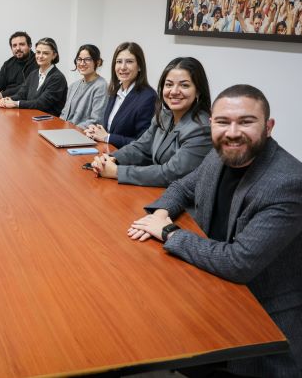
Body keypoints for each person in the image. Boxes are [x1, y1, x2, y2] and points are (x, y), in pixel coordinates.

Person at [128, 85, 302, 377]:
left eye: (246, 121)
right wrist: (160, 213)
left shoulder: (287, 183)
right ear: (211, 124)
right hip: (211, 291)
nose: (232, 132)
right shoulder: (219, 155)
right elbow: (182, 187)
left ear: (268, 127)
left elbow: (238, 262)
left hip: (259, 322)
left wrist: (169, 232)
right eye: (223, 122)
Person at [91, 57, 212, 187]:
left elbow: (171, 173)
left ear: (198, 91)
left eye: (184, 85)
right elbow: (141, 148)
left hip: (179, 196)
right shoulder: (163, 116)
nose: (174, 91)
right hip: (155, 189)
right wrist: (110, 159)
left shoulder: (201, 129)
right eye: (169, 84)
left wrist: (117, 172)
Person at [84, 42, 156, 148]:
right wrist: (96, 132)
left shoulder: (148, 97)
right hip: (106, 149)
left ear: (140, 66)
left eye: (129, 62)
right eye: (119, 62)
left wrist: (107, 137)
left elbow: (144, 143)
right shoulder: (116, 90)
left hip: (124, 156)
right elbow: (111, 128)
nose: (122, 67)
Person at [0, 37, 67, 117]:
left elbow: (41, 104)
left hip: (49, 121)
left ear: (54, 55)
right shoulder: (33, 74)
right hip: (30, 117)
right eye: (38, 52)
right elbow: (21, 95)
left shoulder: (57, 78)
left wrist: (15, 103)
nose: (40, 56)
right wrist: (7, 99)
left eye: (45, 53)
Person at [59, 44, 108, 129]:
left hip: (82, 133)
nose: (82, 63)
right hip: (65, 130)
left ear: (98, 62)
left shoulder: (101, 86)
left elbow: (96, 120)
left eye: (87, 59)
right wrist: (59, 127)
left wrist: (70, 129)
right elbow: (64, 114)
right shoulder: (73, 86)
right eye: (79, 59)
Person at [0, 31, 38, 100]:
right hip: (6, 101)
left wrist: (2, 95)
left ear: (30, 45)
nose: (18, 48)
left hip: (26, 102)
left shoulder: (38, 62)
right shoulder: (8, 64)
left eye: (22, 44)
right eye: (14, 45)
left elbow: (28, 86)